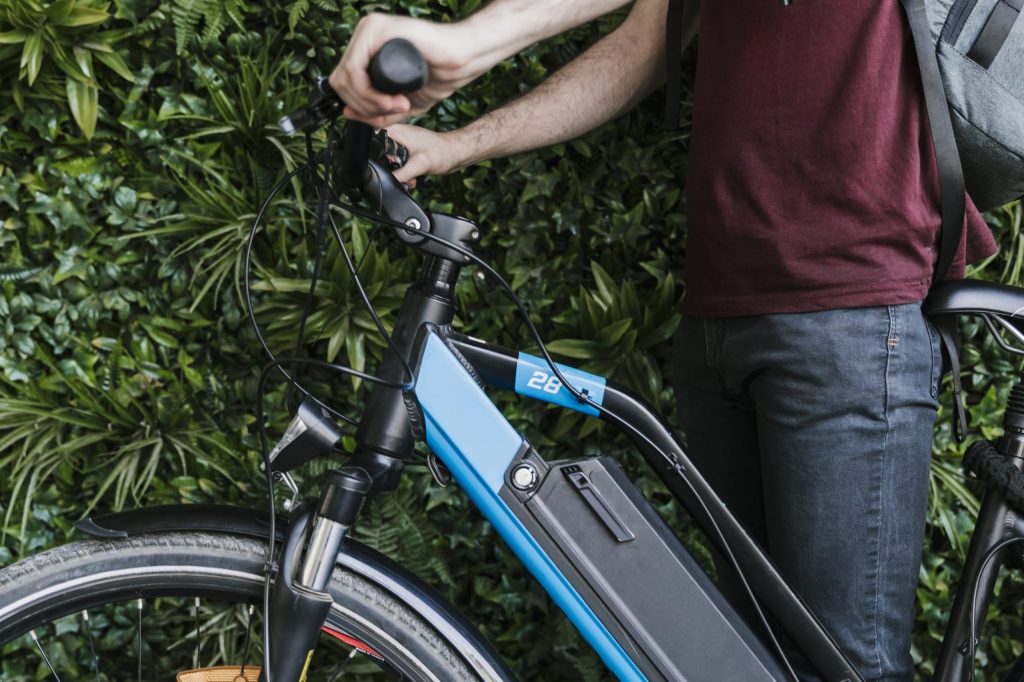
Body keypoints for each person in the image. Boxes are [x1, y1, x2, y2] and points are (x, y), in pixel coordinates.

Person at [331, 1, 997, 679]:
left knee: (849, 668)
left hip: (849, 310)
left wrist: (469, 41)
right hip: (718, 313)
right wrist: (461, 144)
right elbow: (644, 45)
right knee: (748, 664)